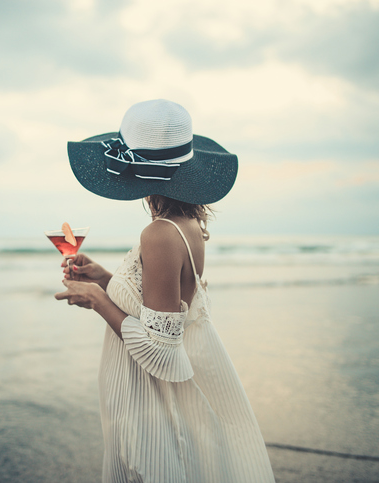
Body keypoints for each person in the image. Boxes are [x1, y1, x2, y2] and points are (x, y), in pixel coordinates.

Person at [55, 99, 275, 482]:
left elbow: (160, 351)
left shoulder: (158, 233)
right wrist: (103, 277)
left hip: (150, 399)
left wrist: (97, 301)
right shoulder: (186, 224)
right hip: (165, 394)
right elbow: (161, 304)